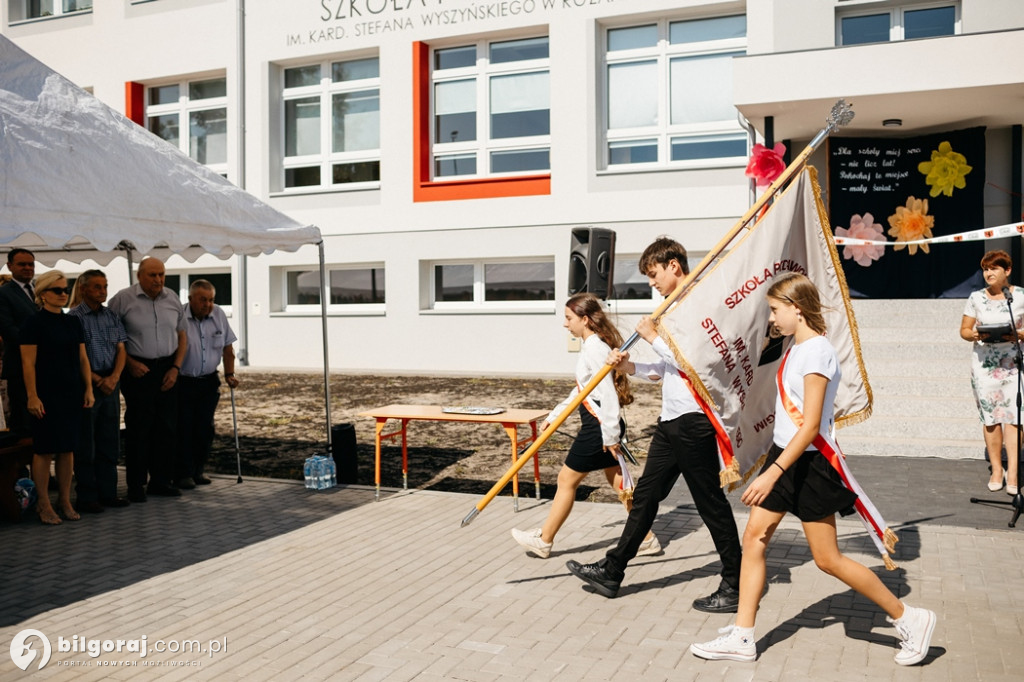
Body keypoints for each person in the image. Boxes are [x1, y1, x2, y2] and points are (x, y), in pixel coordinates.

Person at [690, 272, 936, 666]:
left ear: (796, 309)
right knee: (754, 537)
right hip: (786, 458)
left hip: (806, 463)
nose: (771, 318)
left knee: (827, 559)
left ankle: (911, 618)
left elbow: (809, 425)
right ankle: (742, 635)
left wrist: (772, 472)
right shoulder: (796, 346)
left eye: (774, 310)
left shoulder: (817, 351)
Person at [566, 237, 742, 611]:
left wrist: (654, 338)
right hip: (671, 420)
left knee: (710, 504)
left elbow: (699, 361)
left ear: (674, 265)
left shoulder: (697, 304)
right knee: (645, 497)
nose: (651, 282)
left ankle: (735, 583)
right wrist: (630, 366)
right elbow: (667, 369)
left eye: (654, 273)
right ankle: (613, 571)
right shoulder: (673, 306)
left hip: (694, 421)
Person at [511, 292, 658, 558]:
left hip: (599, 428)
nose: (565, 324)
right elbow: (582, 391)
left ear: (585, 319)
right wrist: (556, 415)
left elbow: (608, 394)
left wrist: (611, 435)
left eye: (569, 318)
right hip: (601, 425)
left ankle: (544, 540)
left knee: (566, 479)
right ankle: (646, 538)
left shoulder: (595, 348)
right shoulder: (593, 346)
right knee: (621, 486)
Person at [108, 257, 187, 502]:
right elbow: (110, 336)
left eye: (161, 274)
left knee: (166, 428)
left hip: (167, 368)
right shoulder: (122, 300)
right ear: (139, 276)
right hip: (137, 370)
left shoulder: (172, 298)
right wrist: (129, 364)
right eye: (153, 275)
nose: (158, 280)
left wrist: (175, 368)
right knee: (139, 429)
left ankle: (161, 481)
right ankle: (135, 485)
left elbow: (183, 336)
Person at [20, 270, 95, 525]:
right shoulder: (33, 323)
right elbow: (28, 364)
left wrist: (88, 389)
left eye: (65, 289)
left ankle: (64, 499)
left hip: (71, 393)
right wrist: (32, 396)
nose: (64, 294)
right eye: (57, 290)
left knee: (68, 448)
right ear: (43, 294)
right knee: (45, 449)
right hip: (46, 394)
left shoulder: (73, 322)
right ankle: (43, 502)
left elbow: (83, 358)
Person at [960, 249, 1023, 496]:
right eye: (985, 269)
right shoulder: (976, 297)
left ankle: (1014, 472)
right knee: (991, 417)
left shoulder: (1019, 297)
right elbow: (964, 329)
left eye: (993, 268)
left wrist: (1018, 334)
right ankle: (997, 469)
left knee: (1016, 418)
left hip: (1014, 363)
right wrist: (976, 333)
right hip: (985, 365)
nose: (988, 273)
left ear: (1007, 271)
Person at [68, 270, 131, 510]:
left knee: (109, 441)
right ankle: (87, 496)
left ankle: (108, 493)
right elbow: (76, 356)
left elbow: (121, 349)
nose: (102, 291)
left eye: (104, 286)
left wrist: (114, 377)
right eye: (96, 287)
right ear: (83, 289)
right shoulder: (74, 318)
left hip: (111, 384)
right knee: (87, 443)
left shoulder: (111, 316)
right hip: (88, 384)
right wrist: (96, 380)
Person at [176, 279, 239, 489]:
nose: (207, 304)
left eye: (211, 300)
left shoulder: (218, 314)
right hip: (184, 382)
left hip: (209, 381)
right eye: (203, 300)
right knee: (184, 428)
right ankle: (183, 474)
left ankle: (198, 470)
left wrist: (230, 373)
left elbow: (228, 348)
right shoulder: (180, 317)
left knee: (205, 428)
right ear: (190, 299)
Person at [0, 248, 40, 434]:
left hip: (44, 366)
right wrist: (39, 344)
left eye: (30, 264)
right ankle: (20, 462)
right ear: (9, 266)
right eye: (21, 264)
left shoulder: (40, 290)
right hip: (20, 366)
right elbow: (8, 329)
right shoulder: (4, 293)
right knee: (24, 422)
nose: (27, 268)